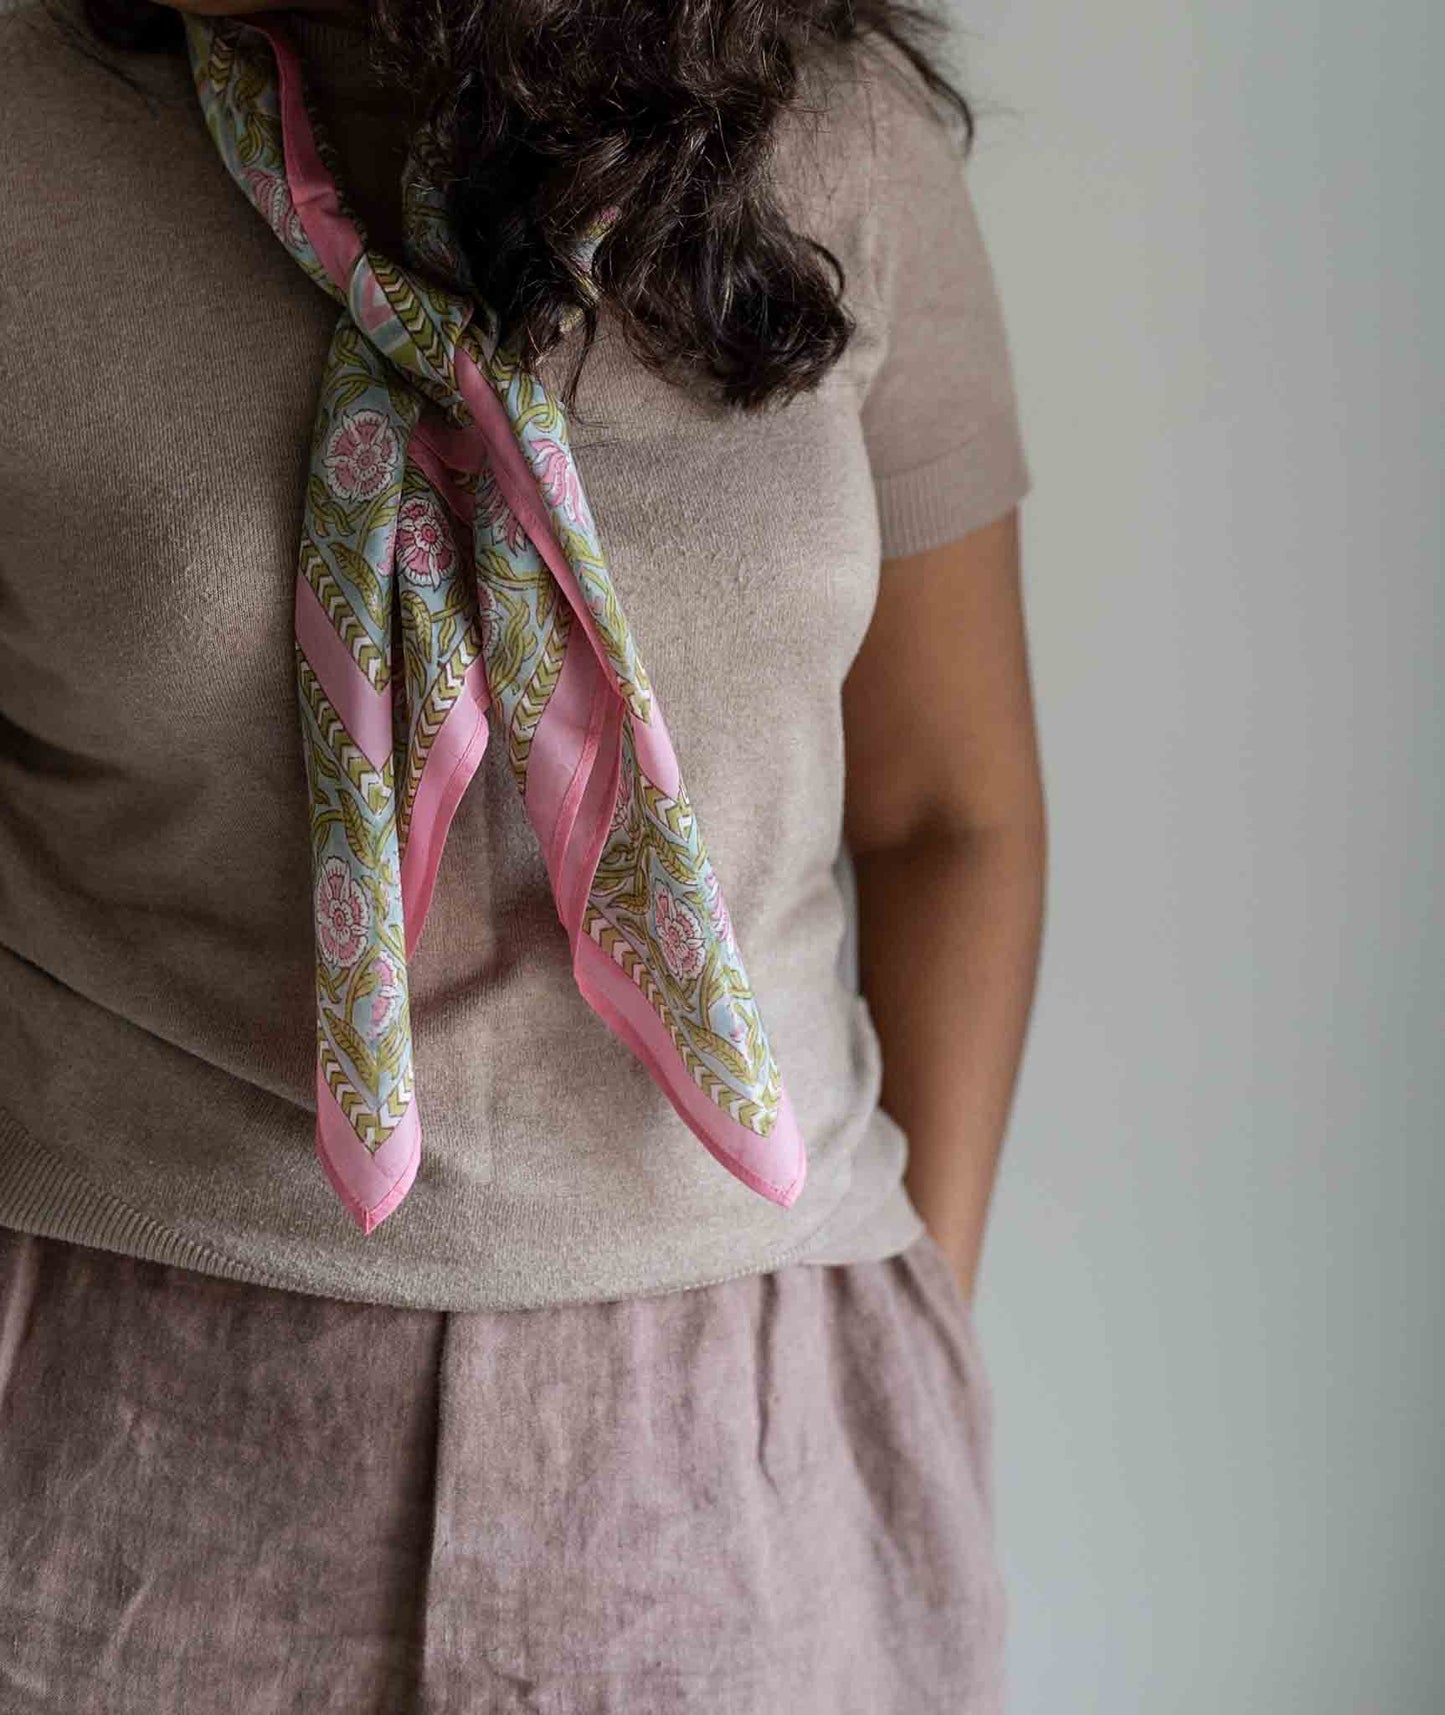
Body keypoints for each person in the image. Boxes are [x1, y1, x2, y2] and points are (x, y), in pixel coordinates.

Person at [0, 0, 1046, 1706]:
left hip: (745, 1448)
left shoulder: (840, 135)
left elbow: (950, 810)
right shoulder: (25, 121)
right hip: (106, 1431)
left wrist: (910, 1322)